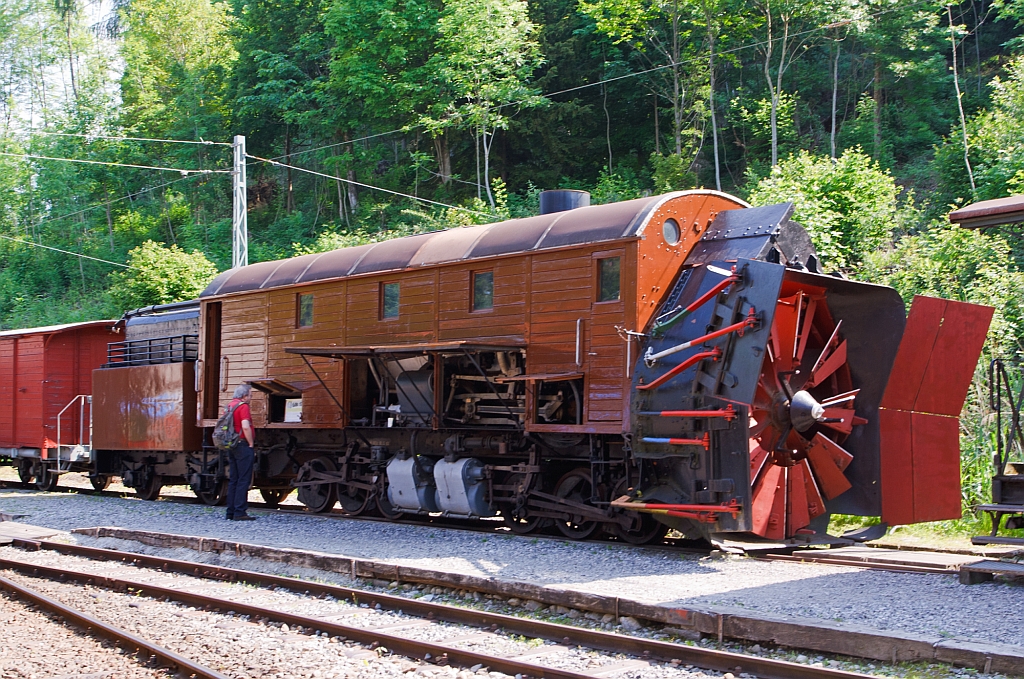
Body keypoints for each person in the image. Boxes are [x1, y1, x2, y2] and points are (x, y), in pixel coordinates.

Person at [225, 383, 256, 521]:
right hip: (242, 444)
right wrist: (250, 443)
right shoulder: (243, 406)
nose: (250, 397)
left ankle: (230, 511)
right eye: (250, 395)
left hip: (231, 444)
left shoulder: (230, 405)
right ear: (244, 396)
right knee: (244, 479)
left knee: (234, 479)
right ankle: (240, 512)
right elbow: (245, 426)